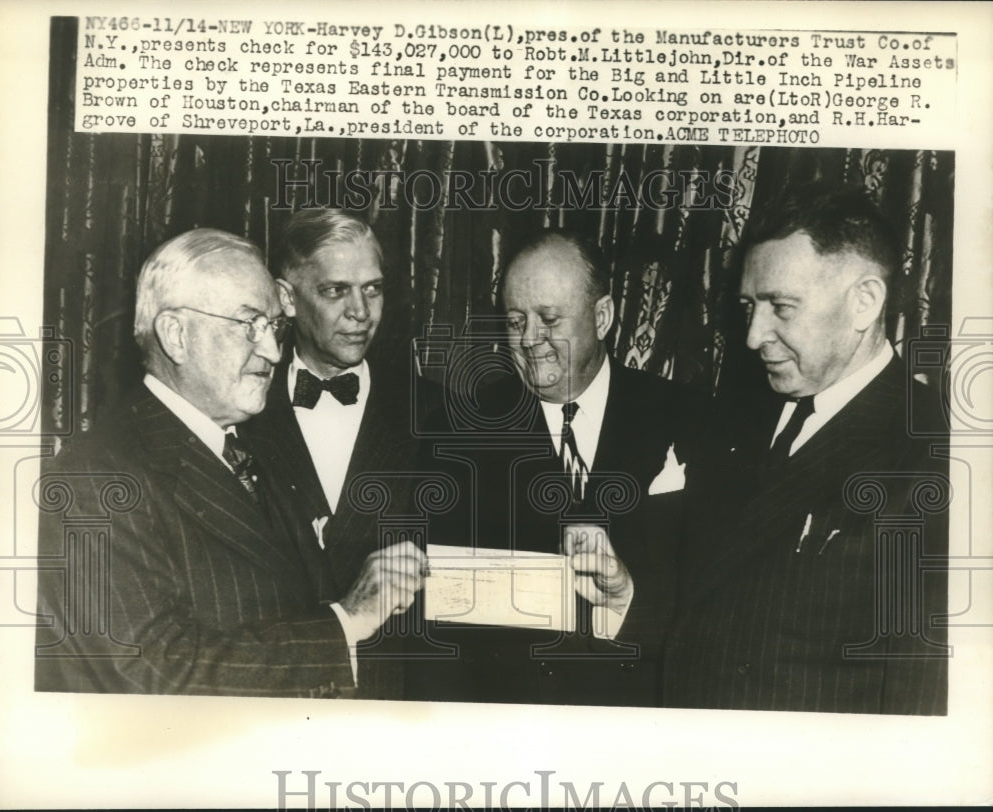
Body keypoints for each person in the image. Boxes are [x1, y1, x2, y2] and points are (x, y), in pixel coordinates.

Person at [35, 228, 426, 697]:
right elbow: (155, 673)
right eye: (249, 325)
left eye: (273, 327)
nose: (273, 351)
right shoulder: (95, 478)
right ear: (176, 335)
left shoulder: (246, 449)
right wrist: (345, 623)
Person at [662, 183, 949, 714]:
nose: (753, 336)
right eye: (750, 306)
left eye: (782, 308)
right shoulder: (738, 416)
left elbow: (922, 698)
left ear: (864, 301)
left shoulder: (935, 452)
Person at [410, 230, 699, 706]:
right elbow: (436, 623)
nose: (528, 340)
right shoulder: (455, 433)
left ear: (602, 316)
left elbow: (705, 597)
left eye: (548, 319)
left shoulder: (689, 418)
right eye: (515, 320)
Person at [241, 210, 441, 699]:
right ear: (286, 298)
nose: (361, 311)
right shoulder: (240, 414)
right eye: (336, 291)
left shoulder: (440, 414)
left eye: (372, 288)